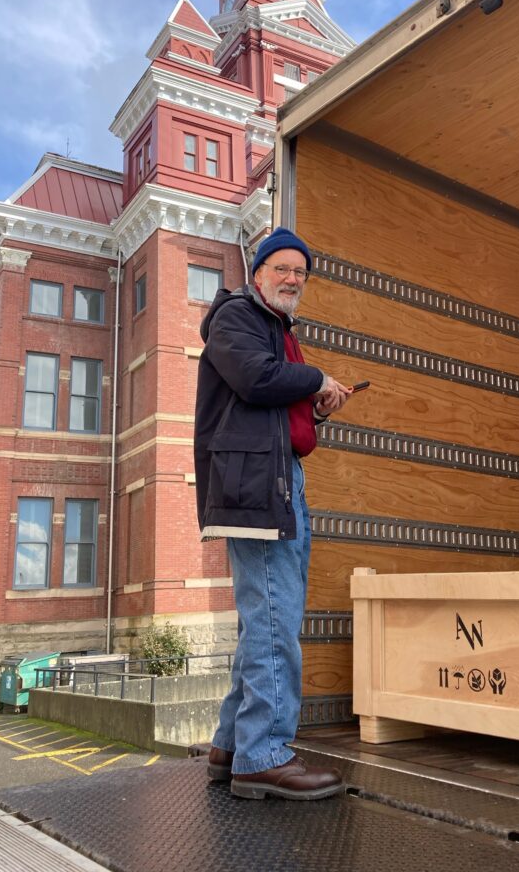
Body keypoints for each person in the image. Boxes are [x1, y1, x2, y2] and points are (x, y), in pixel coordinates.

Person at [194, 226, 352, 801]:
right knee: (273, 619)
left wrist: (315, 401)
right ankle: (263, 756)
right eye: (282, 268)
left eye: (300, 273)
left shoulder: (274, 330)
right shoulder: (237, 318)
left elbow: (273, 409)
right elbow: (257, 380)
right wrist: (314, 378)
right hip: (259, 492)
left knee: (261, 620)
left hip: (277, 481)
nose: (292, 279)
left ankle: (232, 746)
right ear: (257, 273)